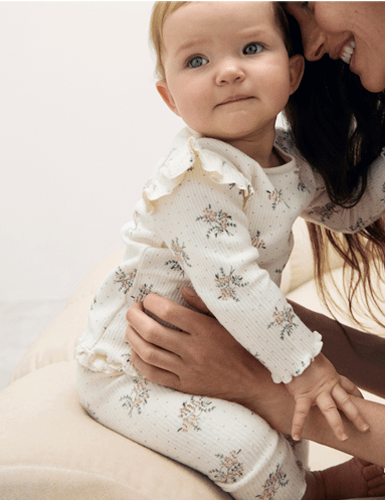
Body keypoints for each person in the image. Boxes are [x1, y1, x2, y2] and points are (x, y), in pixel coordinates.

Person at [76, 2, 384, 499]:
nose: (229, 71)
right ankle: (310, 494)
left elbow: (348, 210)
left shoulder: (290, 158)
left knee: (289, 425)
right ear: (169, 98)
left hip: (225, 341)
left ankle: (309, 486)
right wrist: (308, 368)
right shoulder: (196, 176)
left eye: (251, 48)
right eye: (197, 61)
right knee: (245, 443)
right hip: (136, 369)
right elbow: (236, 287)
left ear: (292, 72)